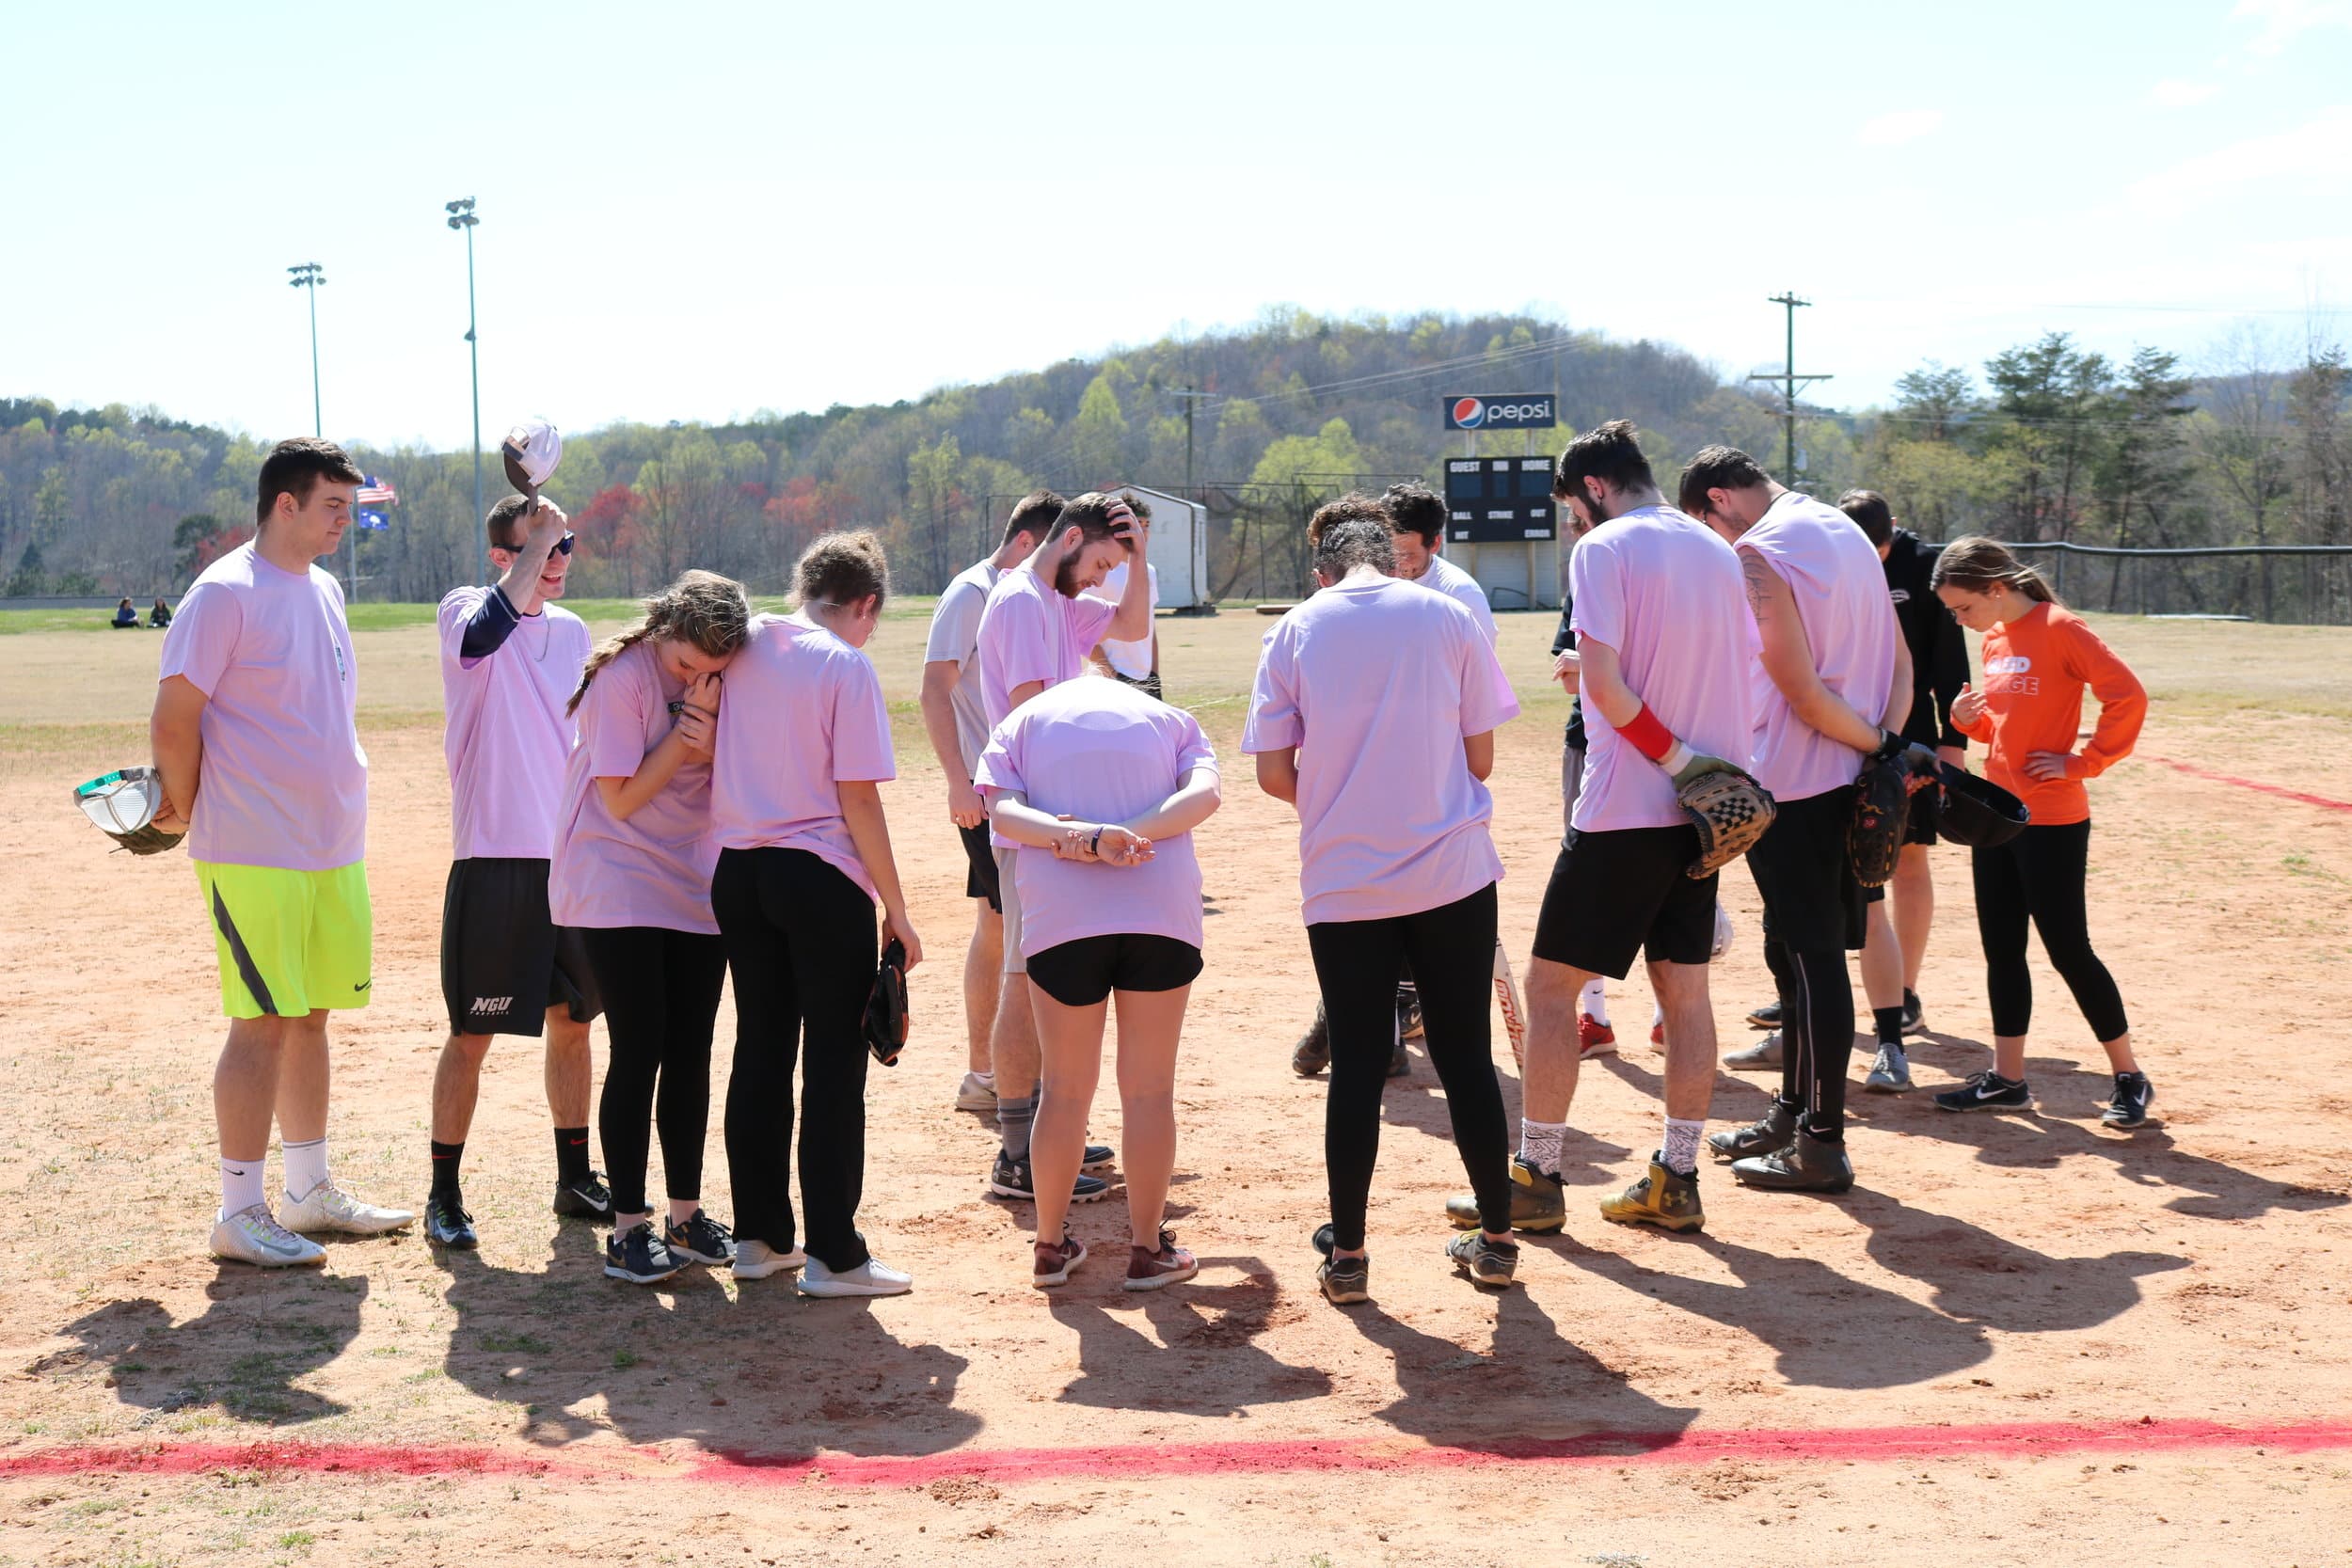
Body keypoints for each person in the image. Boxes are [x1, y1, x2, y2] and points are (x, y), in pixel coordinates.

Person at [1448, 421, 1753, 1236]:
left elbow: (1609, 690)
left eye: (1575, 510)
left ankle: (1538, 1175)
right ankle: (1676, 1176)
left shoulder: (1606, 548)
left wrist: (1679, 759)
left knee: (1551, 991)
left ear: (1591, 489)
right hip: (1704, 816)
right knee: (1684, 992)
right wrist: (1709, 773)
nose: (1576, 526)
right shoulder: (1717, 547)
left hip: (1629, 807)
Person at [1245, 499, 1521, 1302]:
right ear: (1395, 561)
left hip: (1346, 877)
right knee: (1468, 1055)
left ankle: (1351, 1256)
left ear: (1321, 572)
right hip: (1452, 870)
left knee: (1357, 1065)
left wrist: (1340, 806)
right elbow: (1482, 754)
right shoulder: (1446, 613)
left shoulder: (1294, 629)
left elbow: (1271, 772)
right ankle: (1498, 1237)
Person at [150, 436, 412, 1265]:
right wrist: (179, 809)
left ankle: (306, 1190)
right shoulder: (224, 592)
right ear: (285, 504)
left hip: (332, 841)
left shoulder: (326, 588)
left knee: (309, 1014)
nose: (347, 520)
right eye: (334, 505)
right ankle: (238, 1209)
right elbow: (174, 715)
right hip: (254, 842)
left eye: (353, 506)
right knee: (260, 1019)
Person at [1680, 448, 1926, 1196]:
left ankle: (1822, 1140)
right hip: (1843, 774)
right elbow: (1903, 665)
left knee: (1812, 958)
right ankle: (1791, 1113)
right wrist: (1880, 751)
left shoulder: (1760, 550)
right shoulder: (1846, 528)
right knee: (1790, 951)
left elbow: (1801, 693)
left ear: (1720, 500)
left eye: (1708, 529)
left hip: (1796, 780)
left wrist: (1878, 746)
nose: (1719, 547)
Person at [710, 531, 924, 1297]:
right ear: (863, 604)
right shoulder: (844, 664)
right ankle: (836, 1253)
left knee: (761, 1049)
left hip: (737, 871)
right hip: (819, 876)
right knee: (832, 1062)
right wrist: (897, 909)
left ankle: (760, 1237)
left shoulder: (743, 640)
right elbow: (857, 796)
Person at [977, 669, 1220, 1291]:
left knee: (1062, 1088)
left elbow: (1000, 808)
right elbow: (1205, 795)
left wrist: (1081, 837)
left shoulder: (1020, 723)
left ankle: (1051, 1246)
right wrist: (1131, 831)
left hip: (1064, 917)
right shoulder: (1169, 719)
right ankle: (1146, 1249)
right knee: (1148, 1090)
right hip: (1160, 913)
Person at [550, 571, 753, 1286]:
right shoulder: (624, 680)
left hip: (693, 876)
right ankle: (629, 1226)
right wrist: (690, 740)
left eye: (712, 672)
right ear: (664, 630)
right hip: (616, 872)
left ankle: (685, 1214)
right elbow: (624, 797)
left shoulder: (729, 671)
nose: (698, 679)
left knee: (692, 1048)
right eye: (687, 666)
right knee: (640, 1045)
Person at [422, 493, 606, 1249]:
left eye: (567, 545)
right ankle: (443, 1193)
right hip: (493, 855)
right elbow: (484, 633)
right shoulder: (466, 609)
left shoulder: (574, 632)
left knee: (575, 1022)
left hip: (568, 858)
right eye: (544, 547)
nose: (559, 558)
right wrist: (542, 536)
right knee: (474, 1031)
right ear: (505, 555)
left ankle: (574, 1176)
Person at [1931, 537, 2153, 1127]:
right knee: (2002, 950)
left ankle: (2129, 1075)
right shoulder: (1997, 638)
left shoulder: (2061, 627)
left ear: (1995, 589)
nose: (1960, 621)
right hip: (1997, 814)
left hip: (2053, 817)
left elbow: (2126, 696)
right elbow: (2007, 728)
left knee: (2067, 949)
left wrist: (2084, 762)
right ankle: (2008, 1079)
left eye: (1963, 608)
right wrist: (1966, 722)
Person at [972, 491, 1154, 1205]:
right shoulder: (1021, 601)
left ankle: (1048, 1129)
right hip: (1036, 821)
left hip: (1061, 821)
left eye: (1113, 566)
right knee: (1025, 975)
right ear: (1069, 537)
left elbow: (1134, 629)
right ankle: (1018, 1151)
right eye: (1101, 562)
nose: (1102, 578)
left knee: (1044, 974)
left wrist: (1138, 559)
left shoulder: (1057, 599)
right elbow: (1026, 715)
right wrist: (1067, 826)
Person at [1290, 480, 1496, 1079]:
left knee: (1407, 928)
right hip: (1356, 817)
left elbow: (1472, 732)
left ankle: (1363, 1024)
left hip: (1428, 808)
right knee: (1365, 928)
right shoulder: (1317, 617)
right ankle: (1361, 1025)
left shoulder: (1456, 598)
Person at [917, 492, 1062, 1117]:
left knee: (996, 923)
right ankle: (1002, 1080)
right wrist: (956, 779)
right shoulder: (974, 592)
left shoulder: (1024, 598)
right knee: (1015, 937)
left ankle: (983, 1073)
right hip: (985, 791)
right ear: (1028, 542)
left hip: (1002, 790)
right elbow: (933, 688)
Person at [1844, 488, 1971, 1091]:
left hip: (1913, 737)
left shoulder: (1922, 567)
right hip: (1846, 734)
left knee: (1909, 860)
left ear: (1891, 534)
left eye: (1880, 549)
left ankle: (1907, 992)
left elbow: (1950, 661)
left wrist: (1954, 741)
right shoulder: (1836, 559)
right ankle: (1812, 1006)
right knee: (1849, 874)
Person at [1092, 556, 1161, 699]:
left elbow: (1150, 625)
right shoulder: (1103, 571)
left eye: (1147, 530)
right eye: (1139, 531)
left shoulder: (1149, 570)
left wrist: (1153, 674)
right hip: (1113, 677)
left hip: (1147, 678)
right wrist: (1111, 674)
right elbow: (1085, 629)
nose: (1145, 532)